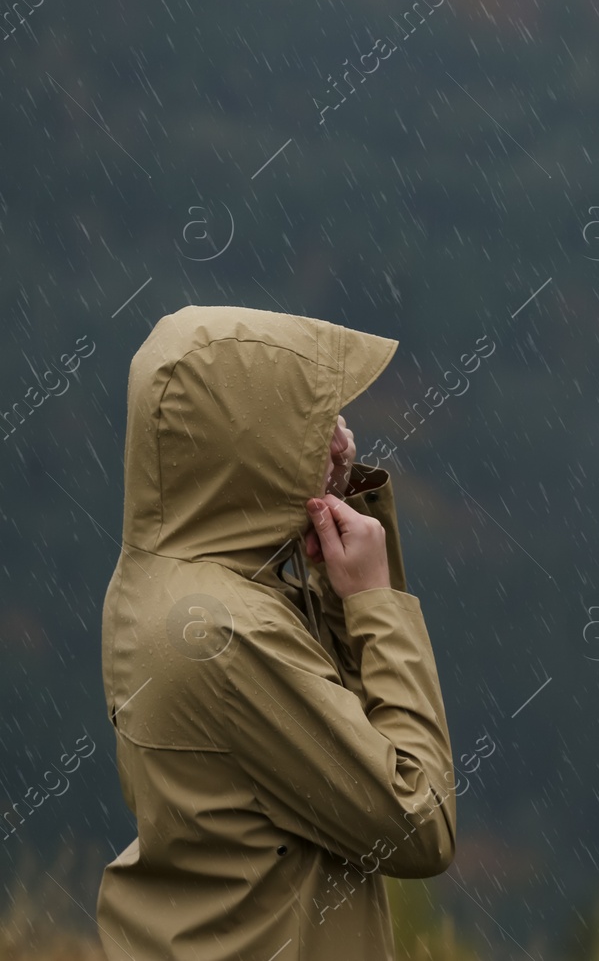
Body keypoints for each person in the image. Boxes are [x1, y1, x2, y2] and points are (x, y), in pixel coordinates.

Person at [97, 305, 456, 960]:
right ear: (252, 441)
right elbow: (418, 820)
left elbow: (323, 734)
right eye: (311, 420)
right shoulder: (224, 632)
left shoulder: (159, 577)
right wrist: (376, 600)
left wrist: (328, 508)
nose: (337, 433)